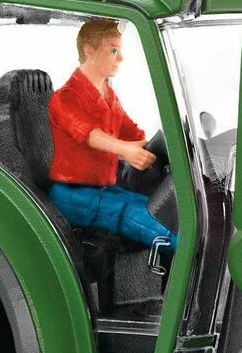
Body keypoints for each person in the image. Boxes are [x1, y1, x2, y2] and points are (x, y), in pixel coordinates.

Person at [47, 18, 177, 250]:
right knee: (160, 228)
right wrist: (125, 150)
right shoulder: (64, 97)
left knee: (170, 212)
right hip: (73, 195)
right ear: (89, 51)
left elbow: (130, 132)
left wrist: (157, 148)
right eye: (113, 51)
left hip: (105, 188)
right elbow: (88, 134)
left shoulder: (108, 95)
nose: (120, 58)